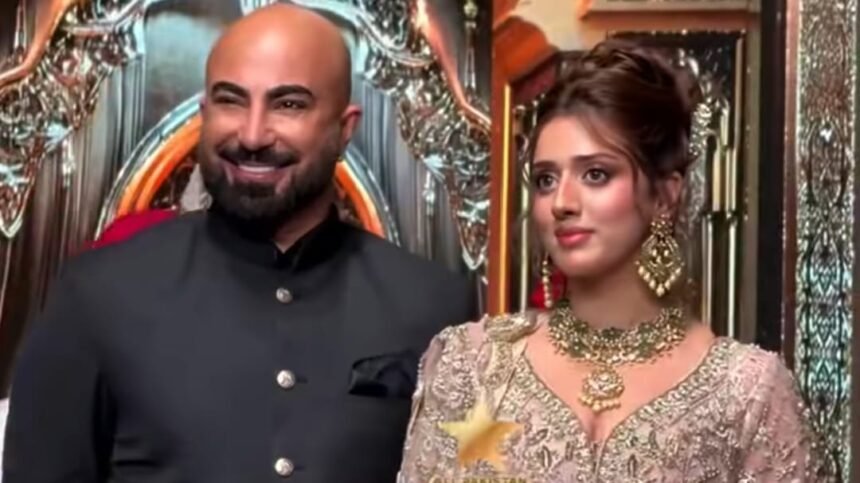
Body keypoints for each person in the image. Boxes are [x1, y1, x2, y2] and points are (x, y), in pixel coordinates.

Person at [3, 4, 476, 482]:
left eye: (289, 104)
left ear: (344, 130)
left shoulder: (435, 305)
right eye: (231, 101)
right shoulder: (98, 293)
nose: (252, 135)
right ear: (204, 114)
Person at [398, 40, 828, 482]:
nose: (562, 202)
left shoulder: (747, 393)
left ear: (664, 196)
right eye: (546, 180)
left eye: (596, 174)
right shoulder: (470, 363)